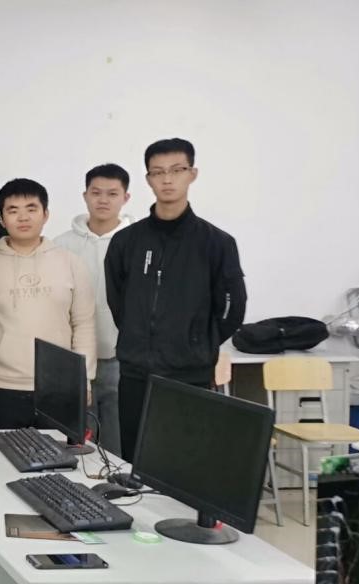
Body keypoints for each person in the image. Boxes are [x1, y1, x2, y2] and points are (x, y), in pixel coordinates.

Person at [105, 138, 247, 460]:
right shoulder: (127, 241)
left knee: (185, 463)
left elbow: (232, 309)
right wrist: (138, 334)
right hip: (135, 373)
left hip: (189, 374)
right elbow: (118, 301)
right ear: (148, 179)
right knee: (134, 461)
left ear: (192, 174)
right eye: (158, 172)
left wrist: (197, 341)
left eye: (177, 170)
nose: (167, 179)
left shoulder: (216, 243)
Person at [0, 178, 97, 429]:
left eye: (31, 209)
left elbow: (84, 324)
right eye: (13, 210)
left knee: (59, 453)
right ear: (1, 219)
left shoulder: (71, 263)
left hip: (59, 386)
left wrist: (83, 380)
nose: (23, 217)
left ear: (46, 214)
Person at [53, 163, 134, 454]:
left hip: (121, 357)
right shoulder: (62, 244)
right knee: (78, 443)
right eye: (96, 192)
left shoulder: (136, 241)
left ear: (125, 198)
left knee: (117, 443)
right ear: (85, 195)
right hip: (74, 359)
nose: (103, 200)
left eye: (112, 194)